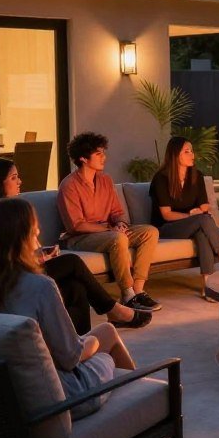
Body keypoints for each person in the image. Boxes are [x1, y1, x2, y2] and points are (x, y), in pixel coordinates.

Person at [0, 198, 136, 419]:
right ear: (24, 237)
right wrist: (93, 343)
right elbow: (70, 358)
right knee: (106, 345)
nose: (39, 232)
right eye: (34, 229)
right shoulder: (39, 286)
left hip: (5, 393)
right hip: (60, 398)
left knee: (106, 331)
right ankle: (145, 410)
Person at [0, 157, 147, 331]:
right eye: (13, 178)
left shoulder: (10, 208)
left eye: (18, 176)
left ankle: (81, 340)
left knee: (77, 288)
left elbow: (19, 247)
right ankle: (113, 310)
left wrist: (42, 253)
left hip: (26, 268)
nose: (19, 181)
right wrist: (40, 256)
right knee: (72, 263)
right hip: (11, 276)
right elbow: (2, 255)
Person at [57, 132, 161, 312]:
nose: (104, 157)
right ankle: (127, 295)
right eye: (99, 154)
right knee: (118, 238)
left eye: (103, 152)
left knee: (149, 232)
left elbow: (116, 212)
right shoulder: (69, 186)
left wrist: (120, 223)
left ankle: (138, 290)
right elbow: (76, 225)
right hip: (81, 238)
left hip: (109, 232)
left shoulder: (105, 180)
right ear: (83, 158)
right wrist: (110, 228)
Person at [150, 137, 219, 298]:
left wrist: (198, 211)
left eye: (192, 150)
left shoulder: (196, 175)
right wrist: (191, 215)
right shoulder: (161, 179)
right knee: (203, 220)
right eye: (187, 151)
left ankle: (207, 285)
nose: (192, 155)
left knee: (201, 232)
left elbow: (204, 205)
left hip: (193, 224)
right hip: (166, 228)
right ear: (175, 155)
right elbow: (166, 214)